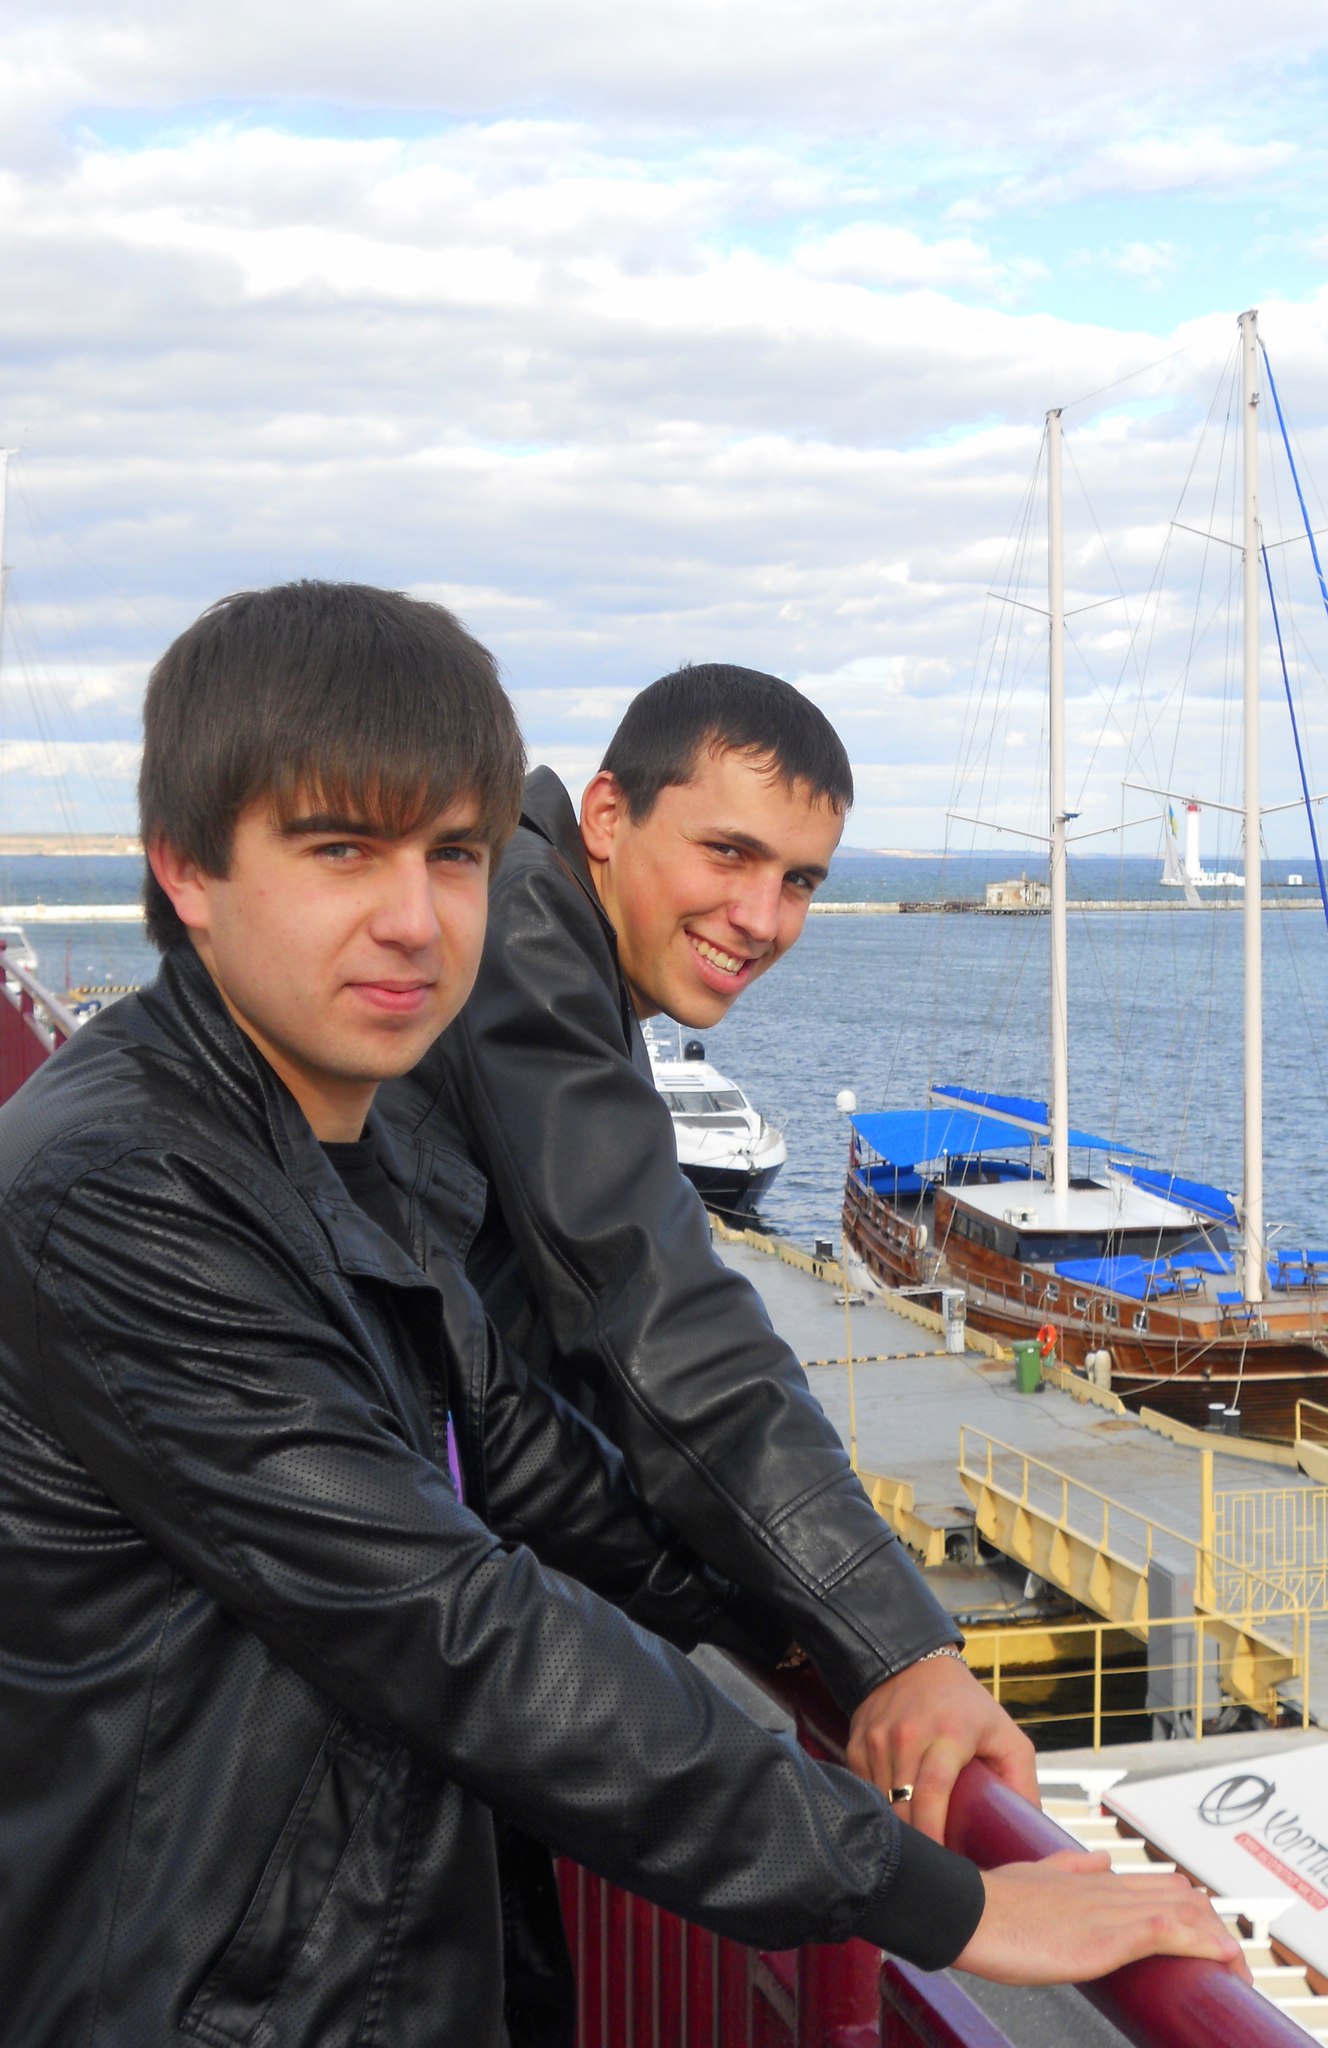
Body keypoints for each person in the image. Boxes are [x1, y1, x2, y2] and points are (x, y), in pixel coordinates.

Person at [0, 588, 1245, 2048]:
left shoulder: (342, 1126)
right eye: (340, 849)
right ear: (186, 867)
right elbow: (459, 1612)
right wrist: (937, 1897)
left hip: (346, 1948)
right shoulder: (125, 1191)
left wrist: (802, 1637)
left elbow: (506, 1439)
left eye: (452, 853)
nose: (415, 919)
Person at [380, 664, 1025, 1834]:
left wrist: (755, 1604)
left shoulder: (535, 917)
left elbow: (528, 1369)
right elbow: (655, 1309)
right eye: (727, 852)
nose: (761, 917)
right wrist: (895, 1640)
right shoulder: (519, 933)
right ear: (606, 815)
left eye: (798, 880)